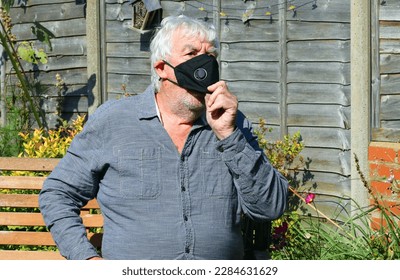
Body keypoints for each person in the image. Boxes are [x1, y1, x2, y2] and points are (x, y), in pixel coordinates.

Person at [39, 15, 288, 260]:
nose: (205, 65)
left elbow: (269, 207)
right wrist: (86, 260)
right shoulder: (113, 121)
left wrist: (228, 135)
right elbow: (58, 193)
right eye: (191, 54)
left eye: (211, 55)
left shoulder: (233, 123)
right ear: (161, 68)